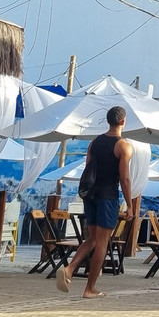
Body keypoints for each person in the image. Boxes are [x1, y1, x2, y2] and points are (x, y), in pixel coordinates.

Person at [56, 105, 133, 299]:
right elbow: (124, 178)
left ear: (108, 121)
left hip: (90, 196)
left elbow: (88, 168)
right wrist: (130, 205)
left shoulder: (94, 142)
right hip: (107, 196)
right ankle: (89, 288)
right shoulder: (123, 146)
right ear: (123, 121)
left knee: (91, 238)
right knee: (102, 242)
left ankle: (69, 269)